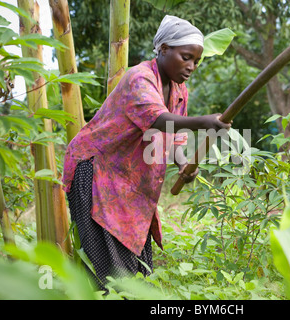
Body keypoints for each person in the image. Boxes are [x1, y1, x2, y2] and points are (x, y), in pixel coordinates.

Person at [62, 15, 231, 290]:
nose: (191, 67)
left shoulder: (179, 90)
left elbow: (173, 135)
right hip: (96, 171)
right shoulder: (139, 77)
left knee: (135, 265)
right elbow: (157, 119)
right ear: (164, 49)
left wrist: (183, 163)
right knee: (107, 268)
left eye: (196, 62)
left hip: (129, 180)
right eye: (186, 57)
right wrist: (204, 122)